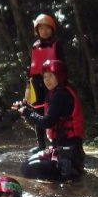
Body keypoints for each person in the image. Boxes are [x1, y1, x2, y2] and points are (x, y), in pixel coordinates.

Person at [14, 59, 86, 181]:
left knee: (27, 168)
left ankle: (62, 181)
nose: (47, 80)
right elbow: (46, 111)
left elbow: (47, 122)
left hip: (68, 157)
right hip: (64, 151)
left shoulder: (60, 95)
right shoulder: (60, 91)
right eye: (45, 77)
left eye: (51, 76)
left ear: (60, 76)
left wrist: (27, 112)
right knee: (28, 163)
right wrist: (26, 108)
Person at [26, 14, 65, 152]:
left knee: (53, 110)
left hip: (53, 82)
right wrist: (28, 85)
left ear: (52, 29)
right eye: (41, 28)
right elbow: (31, 65)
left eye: (47, 28)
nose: (44, 31)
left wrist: (62, 83)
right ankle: (41, 144)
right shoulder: (35, 46)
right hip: (37, 81)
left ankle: (58, 141)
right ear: (37, 30)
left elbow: (62, 64)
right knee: (37, 110)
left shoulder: (57, 44)